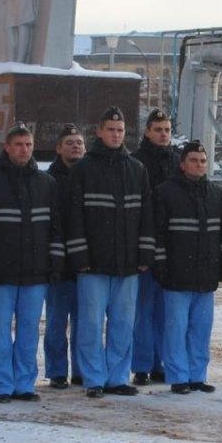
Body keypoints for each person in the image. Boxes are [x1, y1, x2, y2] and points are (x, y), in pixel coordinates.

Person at [64, 106, 155, 398]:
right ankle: (93, 378)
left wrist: (144, 255)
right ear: (99, 132)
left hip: (128, 264)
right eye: (111, 130)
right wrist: (80, 257)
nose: (116, 135)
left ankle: (116, 377)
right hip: (93, 265)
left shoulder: (137, 169)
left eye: (120, 130)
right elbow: (73, 217)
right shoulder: (83, 170)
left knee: (123, 324)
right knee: (90, 324)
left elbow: (146, 217)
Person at [0, 123, 62, 403]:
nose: (23, 150)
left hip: (36, 273)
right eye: (18, 144)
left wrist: (55, 262)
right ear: (6, 147)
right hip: (0, 273)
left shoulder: (46, 183)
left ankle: (24, 383)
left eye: (28, 145)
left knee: (28, 331)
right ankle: (0, 384)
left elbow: (56, 229)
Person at [152, 140, 222, 393]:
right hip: (177, 274)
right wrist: (161, 263)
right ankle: (178, 376)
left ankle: (198, 375)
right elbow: (159, 233)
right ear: (183, 163)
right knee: (176, 328)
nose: (199, 165)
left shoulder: (216, 193)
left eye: (203, 161)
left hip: (205, 274)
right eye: (194, 160)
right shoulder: (165, 192)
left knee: (201, 328)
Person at [131, 108, 177, 386]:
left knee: (167, 312)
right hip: (146, 244)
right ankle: (142, 365)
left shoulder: (177, 162)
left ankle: (162, 363)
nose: (163, 134)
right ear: (147, 131)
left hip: (173, 247)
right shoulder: (136, 163)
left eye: (167, 130)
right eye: (158, 129)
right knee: (143, 311)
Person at [44, 124, 85, 388]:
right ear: (59, 148)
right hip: (59, 263)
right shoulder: (48, 181)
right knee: (57, 322)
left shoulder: (91, 175)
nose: (75, 146)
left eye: (79, 142)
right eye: (69, 142)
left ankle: (81, 370)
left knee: (85, 324)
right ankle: (57, 371)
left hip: (86, 263)